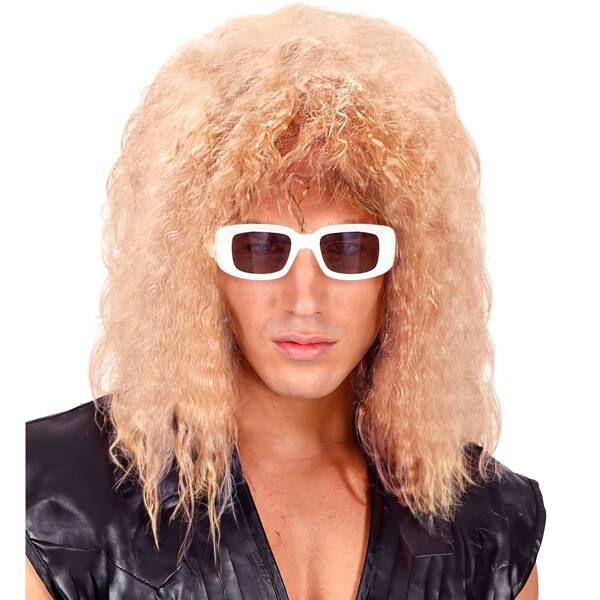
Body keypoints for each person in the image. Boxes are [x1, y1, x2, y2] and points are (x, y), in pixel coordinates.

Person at [25, 4, 546, 599]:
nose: (304, 299)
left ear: (408, 270)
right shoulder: (54, 501)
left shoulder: (491, 528)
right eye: (259, 247)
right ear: (196, 266)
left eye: (348, 248)